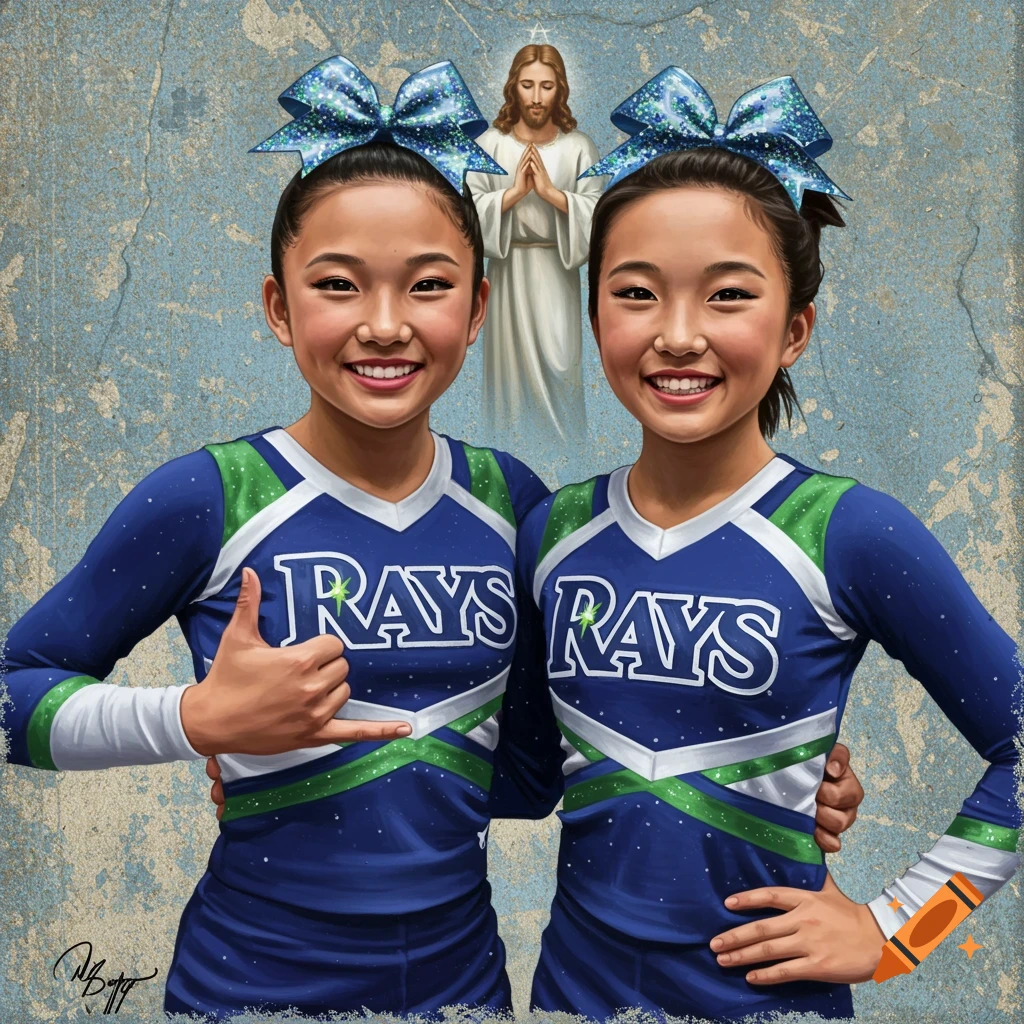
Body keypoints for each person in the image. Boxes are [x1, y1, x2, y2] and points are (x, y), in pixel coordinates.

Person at [2, 55, 865, 1021]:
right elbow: (14, 698)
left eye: (427, 285)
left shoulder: (518, 507)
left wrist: (769, 766)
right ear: (278, 307)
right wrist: (193, 723)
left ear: (478, 305)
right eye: (336, 284)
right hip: (248, 986)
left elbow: (535, 774)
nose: (383, 325)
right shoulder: (208, 498)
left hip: (461, 991)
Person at [505, 68, 1021, 1022]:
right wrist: (285, 755)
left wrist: (903, 930)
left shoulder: (851, 532)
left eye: (729, 296)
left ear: (795, 329)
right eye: (636, 292)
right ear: (594, 318)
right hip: (573, 993)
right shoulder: (554, 529)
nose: (678, 334)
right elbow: (527, 774)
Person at [467, 44, 603, 441]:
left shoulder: (579, 147)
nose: (538, 97)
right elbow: (467, 212)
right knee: (508, 379)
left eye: (547, 86)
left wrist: (550, 193)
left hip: (557, 273)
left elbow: (599, 216)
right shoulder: (491, 145)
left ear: (560, 89)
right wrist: (511, 194)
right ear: (514, 88)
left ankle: (565, 453)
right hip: (507, 273)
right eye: (528, 85)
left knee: (560, 368)